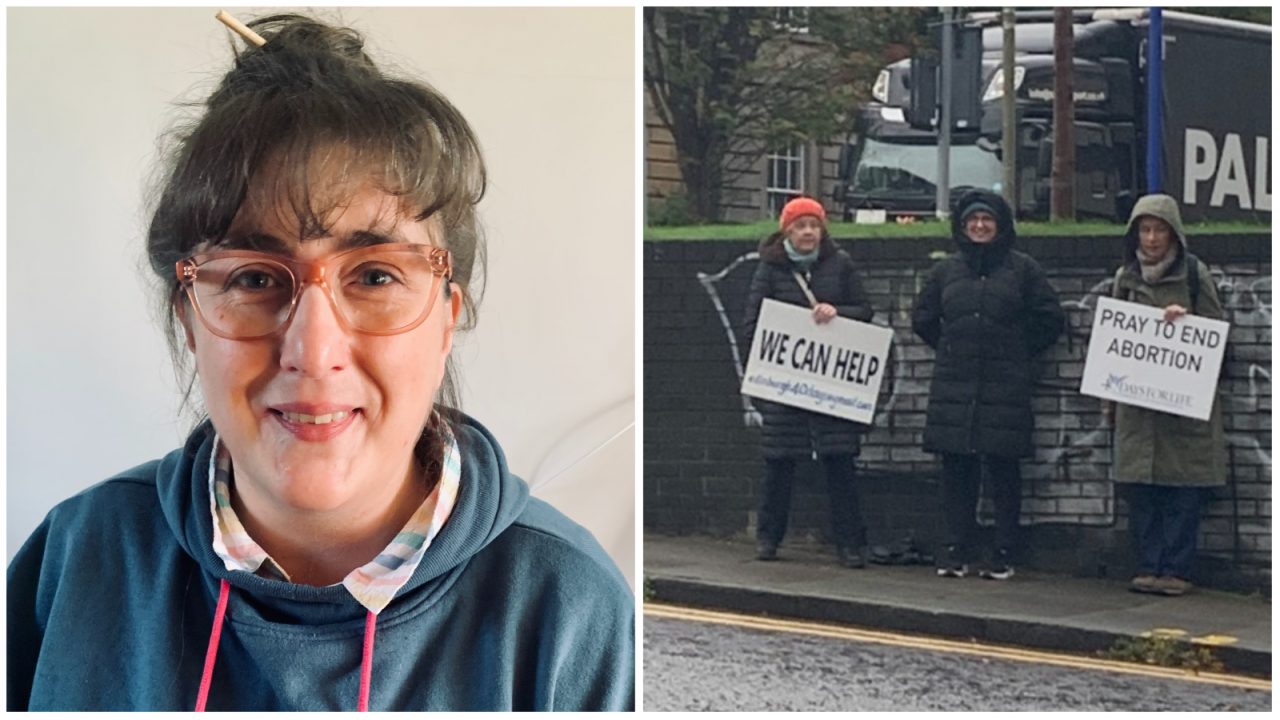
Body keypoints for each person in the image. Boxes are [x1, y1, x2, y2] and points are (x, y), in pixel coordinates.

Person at [7, 15, 633, 711]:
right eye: (252, 278)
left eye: (373, 276)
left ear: (448, 316)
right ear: (188, 317)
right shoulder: (75, 561)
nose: (313, 351)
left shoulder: (569, 611)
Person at [911, 190, 1064, 581]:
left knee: (1004, 474)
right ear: (962, 227)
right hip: (955, 385)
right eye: (972, 221)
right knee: (956, 474)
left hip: (1005, 386)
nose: (980, 226)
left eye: (987, 220)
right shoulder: (945, 271)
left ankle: (1004, 550)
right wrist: (951, 346)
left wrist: (1017, 349)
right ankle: (956, 549)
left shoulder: (1023, 269)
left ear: (1000, 226)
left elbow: (1050, 319)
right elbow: (923, 318)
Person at [741, 196, 876, 568]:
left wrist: (838, 313)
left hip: (832, 387)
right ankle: (768, 539)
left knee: (840, 464)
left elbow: (865, 311)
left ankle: (850, 546)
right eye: (800, 225)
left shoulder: (841, 264)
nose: (808, 232)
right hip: (786, 388)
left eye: (814, 225)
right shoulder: (770, 269)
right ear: (787, 230)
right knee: (779, 466)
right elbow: (753, 326)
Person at [1105, 194, 1226, 597]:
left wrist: (1187, 323)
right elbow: (1113, 345)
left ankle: (1176, 568)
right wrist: (1110, 403)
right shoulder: (1126, 277)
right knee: (1142, 492)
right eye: (1145, 229)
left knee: (1181, 492)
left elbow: (1217, 335)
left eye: (1159, 230)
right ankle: (1147, 564)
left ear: (1174, 234)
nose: (1152, 238)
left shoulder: (1195, 275)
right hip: (1139, 409)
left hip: (1183, 410)